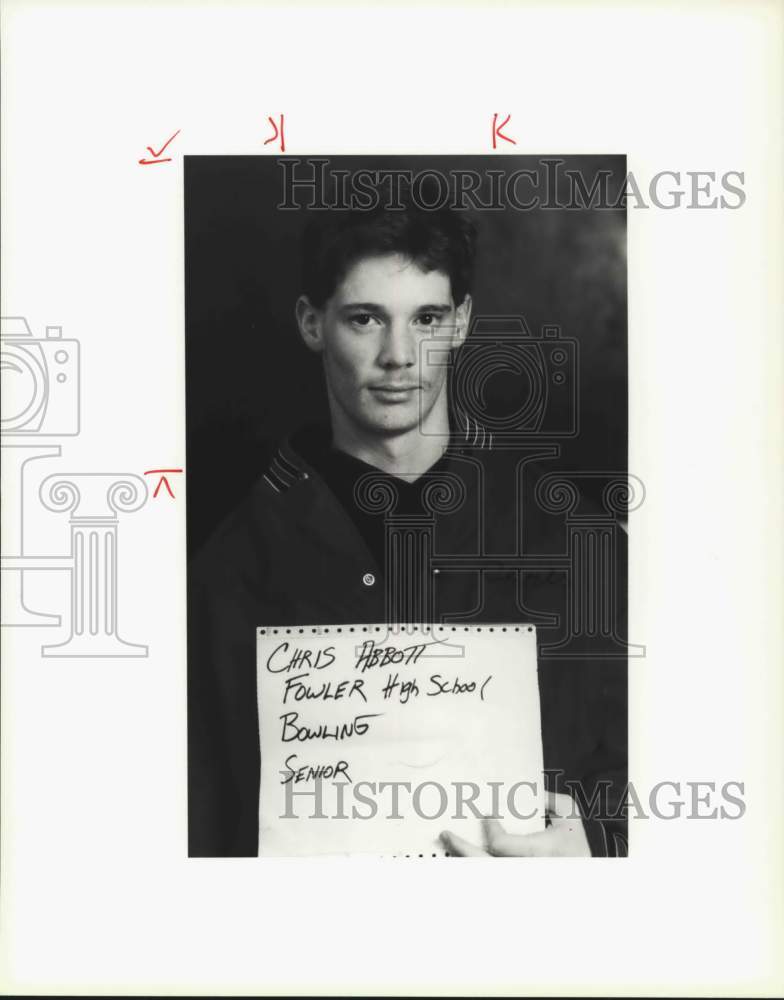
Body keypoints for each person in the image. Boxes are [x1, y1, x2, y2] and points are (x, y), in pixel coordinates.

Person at [187, 194, 628, 858]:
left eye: (427, 318)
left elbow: (678, 777)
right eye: (365, 319)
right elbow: (195, 833)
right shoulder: (227, 569)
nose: (399, 355)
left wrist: (599, 845)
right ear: (313, 323)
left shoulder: (575, 541)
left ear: (462, 322)